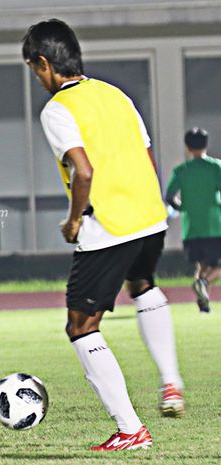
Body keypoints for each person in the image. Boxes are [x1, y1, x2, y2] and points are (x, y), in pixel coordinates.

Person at [22, 19, 185, 451]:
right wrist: (148, 207)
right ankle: (171, 383)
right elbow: (147, 155)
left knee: (81, 324)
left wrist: (75, 220)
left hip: (108, 226)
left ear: (43, 63)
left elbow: (84, 169)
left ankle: (131, 429)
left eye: (34, 70)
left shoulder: (58, 109)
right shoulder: (115, 95)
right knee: (143, 285)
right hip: (150, 217)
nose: (37, 79)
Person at [165, 128, 221, 313]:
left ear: (187, 147)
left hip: (191, 228)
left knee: (202, 265)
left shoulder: (181, 170)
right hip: (214, 225)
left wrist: (182, 207)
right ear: (206, 144)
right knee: (214, 268)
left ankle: (203, 303)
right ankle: (203, 283)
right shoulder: (215, 167)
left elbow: (170, 196)